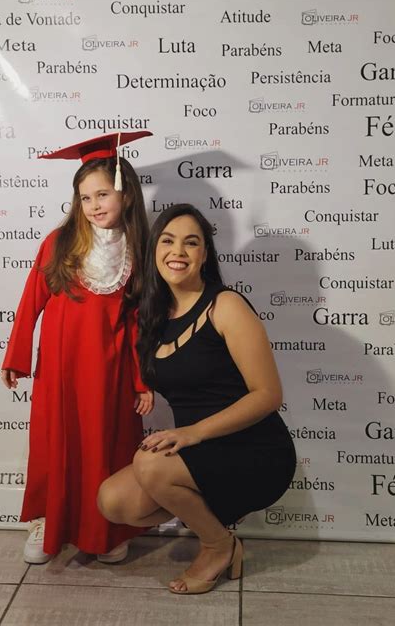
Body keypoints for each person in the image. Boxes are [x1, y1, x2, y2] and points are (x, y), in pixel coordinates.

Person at [97, 203, 296, 594]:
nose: (178, 251)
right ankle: (216, 523)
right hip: (200, 450)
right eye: (168, 241)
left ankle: (217, 545)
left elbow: (268, 395)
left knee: (150, 465)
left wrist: (193, 433)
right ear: (154, 250)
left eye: (191, 243)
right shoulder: (153, 315)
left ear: (205, 255)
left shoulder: (226, 305)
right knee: (114, 501)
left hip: (255, 448)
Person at [1, 131, 154, 565]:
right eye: (85, 197)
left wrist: (142, 380)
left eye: (103, 194)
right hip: (61, 367)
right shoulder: (60, 242)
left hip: (110, 369)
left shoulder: (138, 251)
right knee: (55, 442)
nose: (94, 205)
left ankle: (106, 527)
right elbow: (30, 301)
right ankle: (47, 519)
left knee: (107, 446)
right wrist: (16, 357)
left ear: (125, 194)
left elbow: (139, 324)